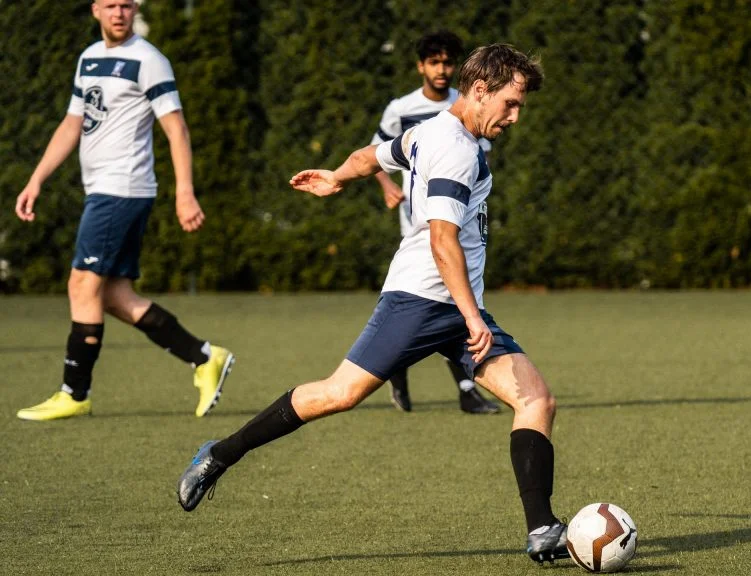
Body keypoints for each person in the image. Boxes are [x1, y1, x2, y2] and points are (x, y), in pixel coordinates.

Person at [178, 44, 569, 564]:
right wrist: (473, 316)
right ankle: (220, 454)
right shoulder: (452, 147)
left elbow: (371, 156)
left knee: (536, 400)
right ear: (480, 90)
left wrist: (338, 176)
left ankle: (541, 530)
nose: (516, 117)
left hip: (454, 306)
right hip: (420, 301)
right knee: (339, 394)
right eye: (512, 103)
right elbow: (441, 239)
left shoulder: (428, 131)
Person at [13, 0, 234, 421]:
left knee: (82, 285)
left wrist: (184, 192)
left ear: (135, 11)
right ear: (95, 9)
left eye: (127, 5)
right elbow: (72, 124)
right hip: (101, 189)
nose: (119, 13)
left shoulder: (149, 60)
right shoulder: (89, 58)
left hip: (123, 189)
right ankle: (205, 357)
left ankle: (74, 393)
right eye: (110, 5)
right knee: (113, 296)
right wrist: (36, 178)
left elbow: (176, 128)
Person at [371, 30, 499, 415]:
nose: (442, 70)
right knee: (453, 305)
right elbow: (376, 153)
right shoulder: (401, 108)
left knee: (455, 304)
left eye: (448, 63)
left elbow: (478, 157)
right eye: (435, 62)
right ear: (420, 66)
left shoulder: (469, 104)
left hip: (458, 222)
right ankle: (416, 374)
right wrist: (387, 187)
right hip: (420, 225)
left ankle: (462, 387)